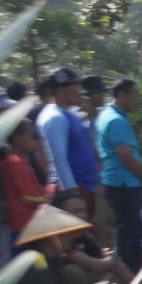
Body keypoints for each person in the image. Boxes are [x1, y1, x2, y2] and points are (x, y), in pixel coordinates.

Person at [94, 78, 142, 272]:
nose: (137, 100)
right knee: (129, 235)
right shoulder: (116, 120)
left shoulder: (107, 115)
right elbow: (125, 157)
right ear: (121, 95)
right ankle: (131, 275)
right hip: (124, 182)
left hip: (118, 180)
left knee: (131, 229)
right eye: (134, 96)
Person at [36, 67, 100, 215]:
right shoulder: (54, 117)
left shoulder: (71, 114)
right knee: (75, 236)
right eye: (74, 86)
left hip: (84, 186)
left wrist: (91, 116)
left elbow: (92, 142)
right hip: (70, 190)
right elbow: (59, 159)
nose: (79, 91)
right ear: (60, 90)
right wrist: (71, 192)